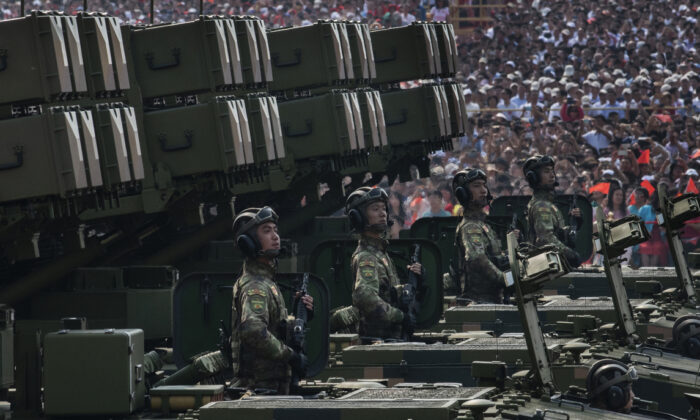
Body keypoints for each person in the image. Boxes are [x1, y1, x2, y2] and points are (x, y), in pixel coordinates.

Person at [230, 207, 313, 394]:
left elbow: (270, 329)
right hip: (260, 390)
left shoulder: (266, 282)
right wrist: (291, 356)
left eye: (275, 230)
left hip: (270, 388)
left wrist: (297, 318)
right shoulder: (255, 286)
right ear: (249, 243)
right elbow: (253, 331)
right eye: (266, 231)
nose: (275, 236)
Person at [346, 187, 422, 340]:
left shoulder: (380, 252)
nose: (382, 213)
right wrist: (400, 316)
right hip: (377, 342)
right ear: (359, 217)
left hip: (390, 339)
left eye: (384, 209)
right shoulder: (366, 257)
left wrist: (410, 285)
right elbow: (365, 297)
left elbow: (386, 293)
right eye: (375, 209)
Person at [453, 169, 510, 303]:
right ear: (464, 194)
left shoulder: (482, 225)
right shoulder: (470, 227)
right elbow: (477, 259)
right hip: (479, 301)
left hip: (491, 300)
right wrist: (506, 280)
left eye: (484, 185)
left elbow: (492, 257)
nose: (484, 190)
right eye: (477, 186)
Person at [524, 155, 582, 267]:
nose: (552, 175)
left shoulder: (547, 204)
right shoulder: (541, 205)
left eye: (552, 171)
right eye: (546, 172)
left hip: (551, 265)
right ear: (534, 177)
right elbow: (545, 238)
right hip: (547, 267)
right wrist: (570, 254)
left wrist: (575, 225)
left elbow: (555, 234)